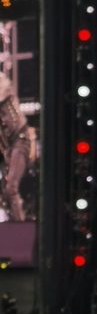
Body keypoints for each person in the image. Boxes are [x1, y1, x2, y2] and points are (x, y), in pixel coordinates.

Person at [0, 73, 35, 222]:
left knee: (11, 188)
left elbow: (2, 93)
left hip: (20, 140)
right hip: (8, 147)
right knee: (5, 192)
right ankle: (13, 222)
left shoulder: (1, 80)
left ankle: (20, 227)